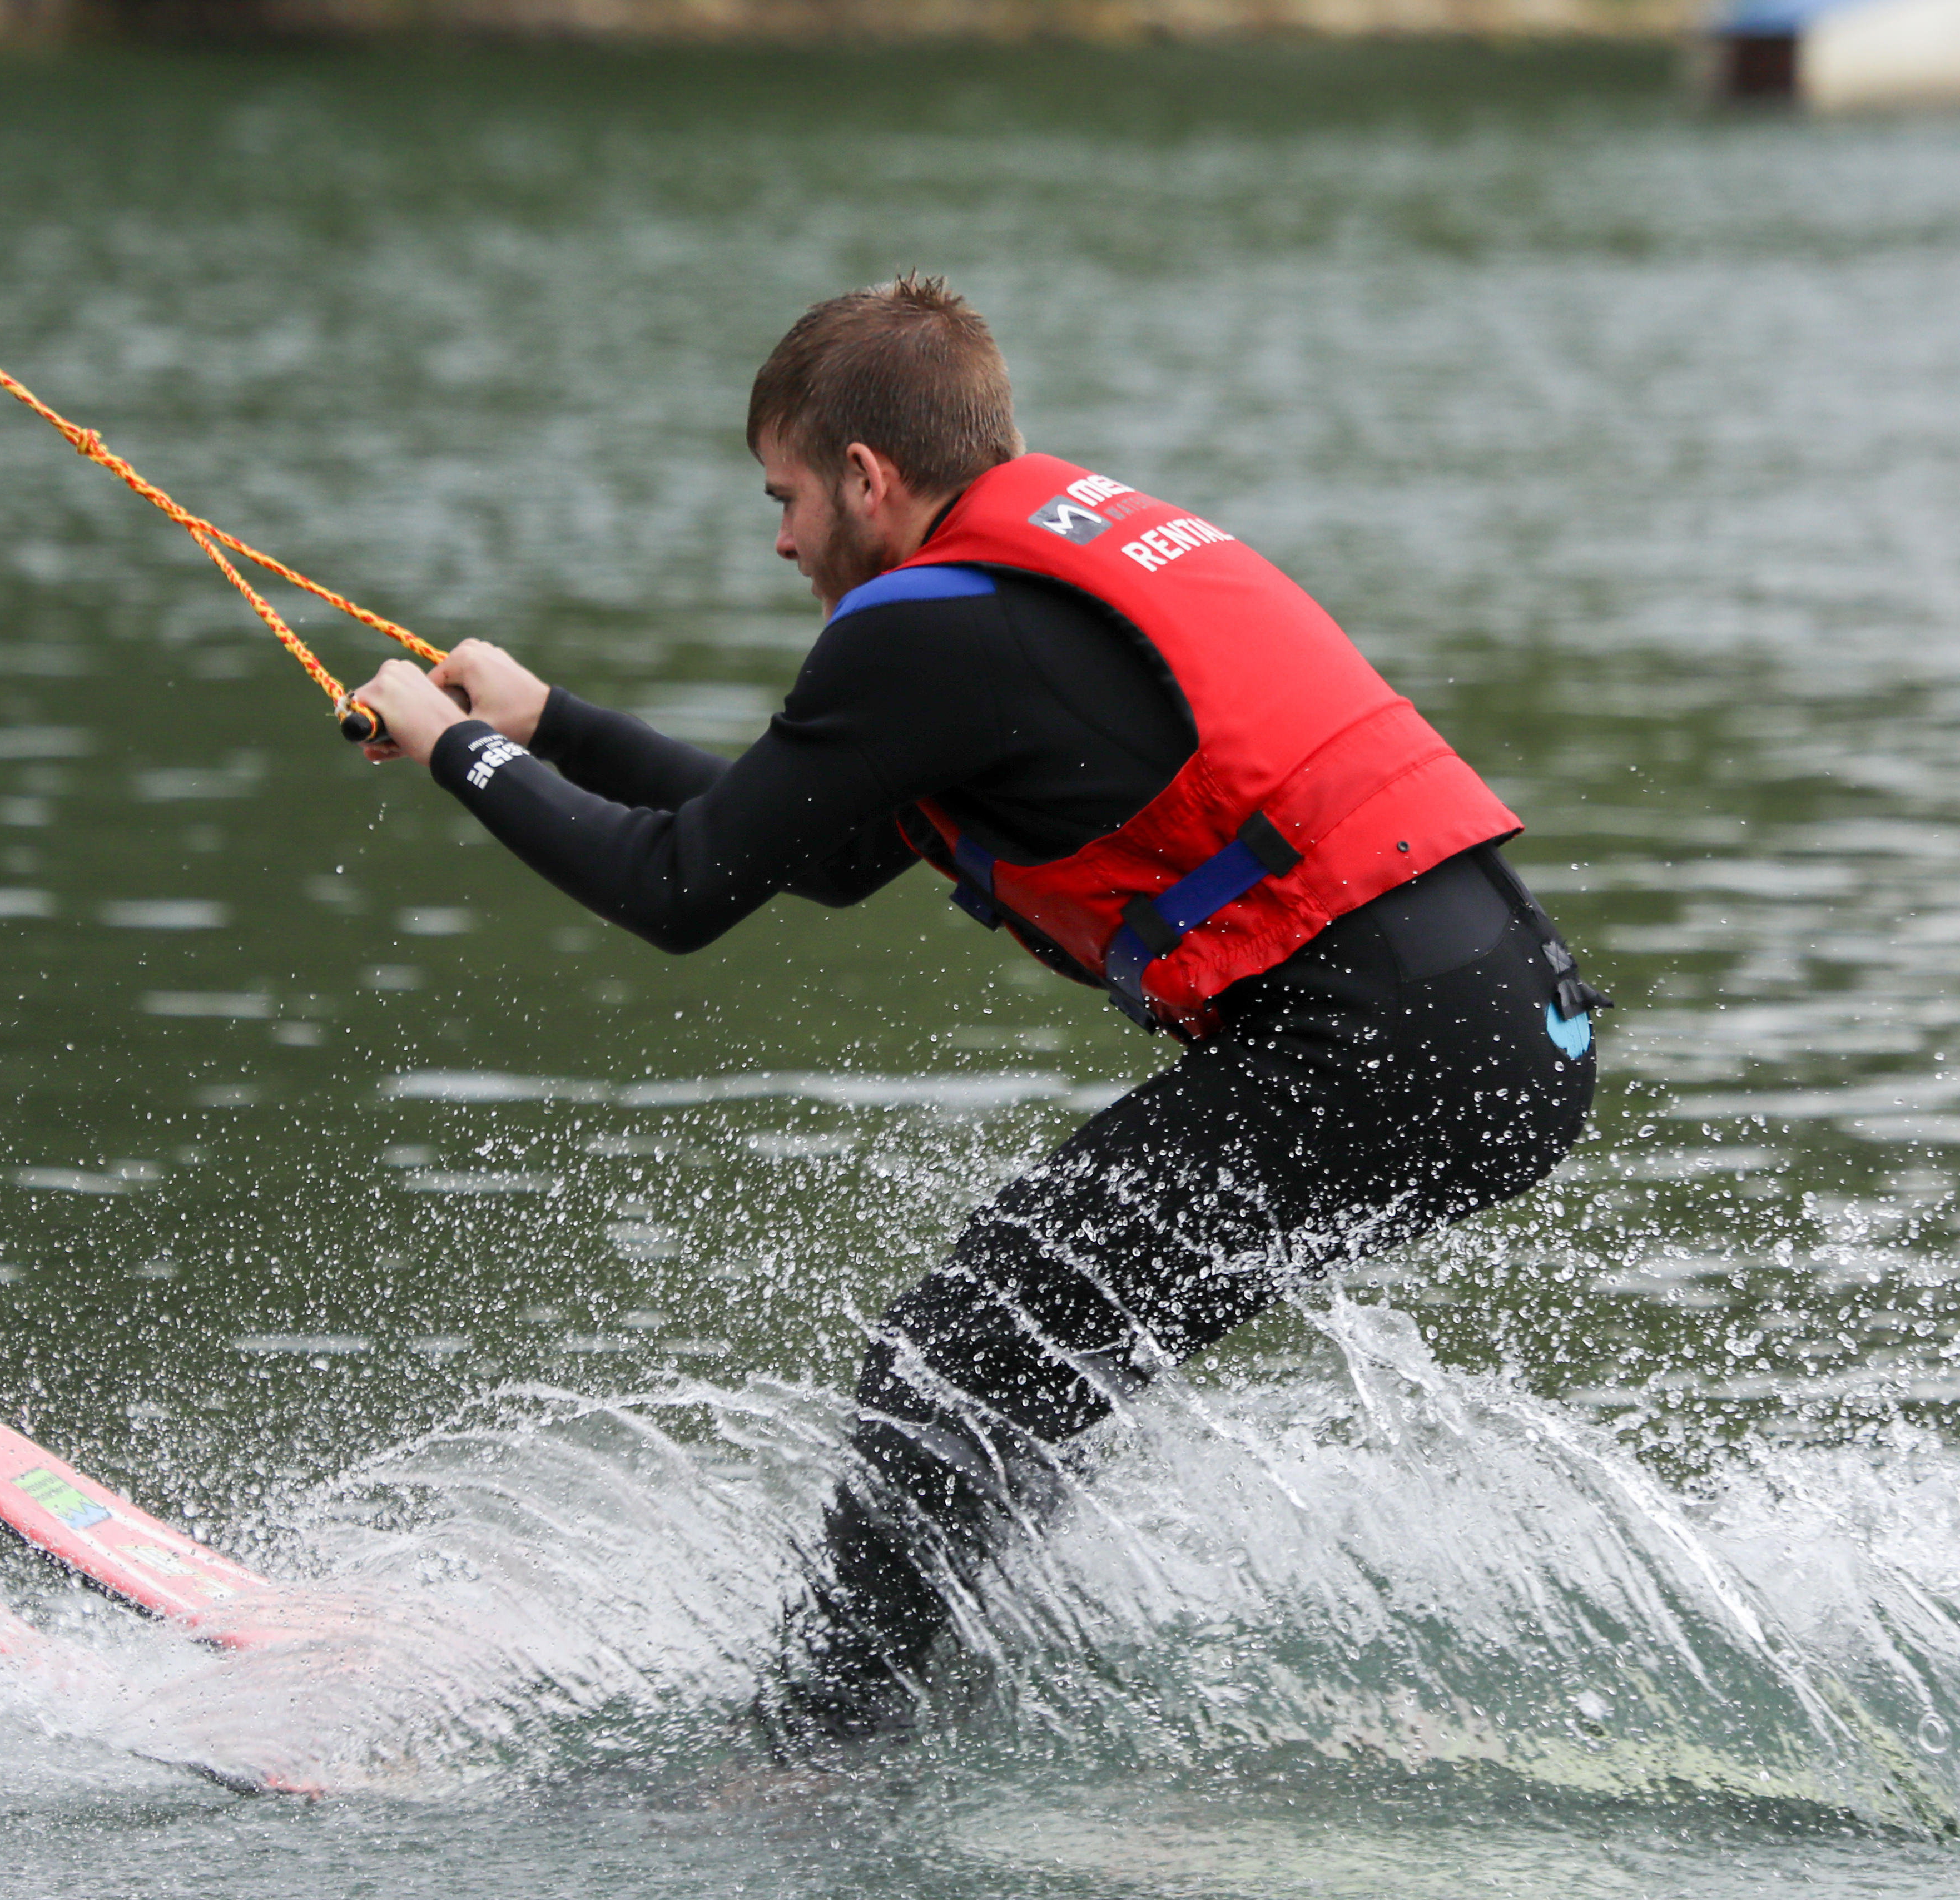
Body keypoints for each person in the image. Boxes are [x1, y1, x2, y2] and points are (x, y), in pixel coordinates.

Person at [346, 274, 1601, 1745]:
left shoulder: (926, 633)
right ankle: (961, 1696)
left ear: (866, 477)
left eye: (787, 496)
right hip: (1495, 1021)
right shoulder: (1027, 579)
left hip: (1386, 1045)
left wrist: (453, 752)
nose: (782, 539)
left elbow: (678, 888)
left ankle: (820, 1754)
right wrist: (550, 725)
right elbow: (823, 856)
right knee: (1013, 1355)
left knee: (956, 1353)